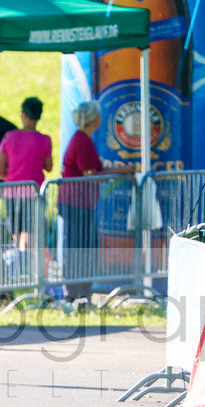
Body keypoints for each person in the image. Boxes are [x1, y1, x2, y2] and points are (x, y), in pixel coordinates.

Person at [59, 101, 134, 303]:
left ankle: (79, 292)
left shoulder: (81, 139)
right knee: (81, 246)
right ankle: (77, 293)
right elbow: (90, 173)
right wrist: (122, 170)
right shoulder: (82, 141)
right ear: (95, 120)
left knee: (80, 245)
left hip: (77, 201)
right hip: (77, 202)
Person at [0, 96, 53, 256]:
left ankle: (22, 263)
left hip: (12, 192)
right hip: (34, 192)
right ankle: (31, 265)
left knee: (17, 232)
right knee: (33, 232)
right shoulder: (45, 140)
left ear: (24, 115)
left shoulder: (9, 137)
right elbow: (49, 167)